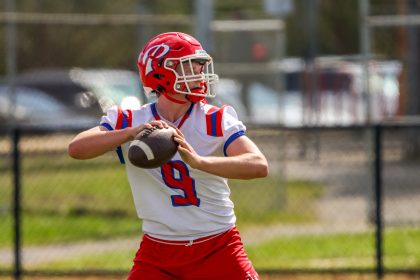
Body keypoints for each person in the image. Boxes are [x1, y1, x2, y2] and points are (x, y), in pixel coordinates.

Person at [68, 32, 268, 280]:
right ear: (161, 72)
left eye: (199, 65)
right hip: (158, 252)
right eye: (189, 65)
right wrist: (130, 133)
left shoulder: (214, 119)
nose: (199, 72)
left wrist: (200, 162)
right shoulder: (130, 120)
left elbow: (259, 165)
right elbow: (76, 148)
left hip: (217, 247)